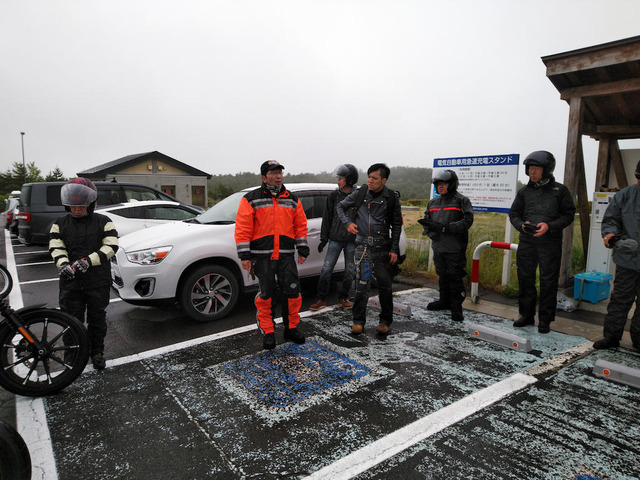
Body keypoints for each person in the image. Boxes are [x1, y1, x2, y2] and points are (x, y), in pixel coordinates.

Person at [234, 160, 310, 350]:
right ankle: (268, 332)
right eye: (273, 173)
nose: (278, 176)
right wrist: (244, 256)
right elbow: (243, 228)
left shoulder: (292, 199)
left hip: (286, 255)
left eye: (280, 173)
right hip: (262, 256)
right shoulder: (251, 199)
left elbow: (300, 225)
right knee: (266, 295)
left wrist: (302, 248)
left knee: (292, 293)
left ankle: (291, 328)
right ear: (263, 177)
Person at [49, 178, 119, 370]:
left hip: (97, 281)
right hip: (70, 283)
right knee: (71, 321)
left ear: (91, 204)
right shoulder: (60, 223)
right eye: (73, 205)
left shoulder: (104, 222)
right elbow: (56, 246)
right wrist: (63, 264)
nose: (77, 209)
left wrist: (88, 261)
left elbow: (111, 246)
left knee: (97, 320)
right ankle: (72, 357)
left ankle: (97, 353)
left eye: (81, 206)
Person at [508, 151, 576, 333]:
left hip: (550, 243)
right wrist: (522, 225)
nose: (532, 172)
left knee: (548, 281)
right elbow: (514, 214)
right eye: (529, 168)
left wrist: (550, 226)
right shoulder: (524, 192)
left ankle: (545, 320)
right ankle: (527, 315)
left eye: (536, 168)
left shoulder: (560, 191)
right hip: (527, 242)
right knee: (526, 278)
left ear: (546, 169)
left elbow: (568, 215)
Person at [336, 163, 402, 335]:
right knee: (361, 286)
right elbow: (340, 207)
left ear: (384, 180)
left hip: (383, 248)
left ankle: (385, 321)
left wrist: (394, 249)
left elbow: (396, 225)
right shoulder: (360, 193)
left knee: (385, 287)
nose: (370, 181)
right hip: (363, 247)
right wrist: (348, 224)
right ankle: (358, 321)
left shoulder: (392, 198)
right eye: (369, 177)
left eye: (375, 178)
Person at [593, 159, 640, 350]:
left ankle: (638, 341)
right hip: (627, 260)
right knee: (620, 300)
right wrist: (610, 235)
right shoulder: (625, 195)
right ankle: (611, 337)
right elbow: (611, 219)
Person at [419, 169, 474, 321]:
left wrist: (447, 227)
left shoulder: (461, 200)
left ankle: (457, 308)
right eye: (437, 184)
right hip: (438, 247)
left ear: (452, 184)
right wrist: (432, 231)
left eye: (443, 184)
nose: (440, 187)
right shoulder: (433, 203)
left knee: (455, 277)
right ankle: (444, 301)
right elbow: (427, 221)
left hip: (455, 248)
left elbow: (468, 221)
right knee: (442, 275)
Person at [309, 164, 359, 311]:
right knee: (326, 269)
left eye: (341, 178)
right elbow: (327, 218)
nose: (338, 180)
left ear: (349, 179)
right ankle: (321, 299)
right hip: (335, 239)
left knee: (350, 271)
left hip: (352, 241)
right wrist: (324, 238)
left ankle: (343, 298)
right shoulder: (333, 196)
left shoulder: (358, 196)